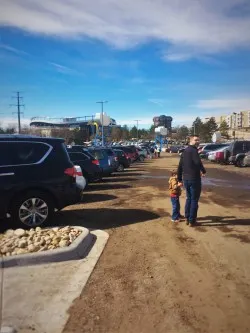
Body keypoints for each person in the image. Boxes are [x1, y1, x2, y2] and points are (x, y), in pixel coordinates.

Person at [177, 135, 206, 227]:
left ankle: (187, 217)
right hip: (194, 179)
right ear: (191, 141)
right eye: (196, 140)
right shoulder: (194, 151)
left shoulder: (185, 151)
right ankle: (192, 221)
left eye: (198, 140)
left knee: (189, 198)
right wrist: (203, 170)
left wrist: (179, 179)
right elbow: (197, 162)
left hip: (186, 179)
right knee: (194, 200)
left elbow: (180, 166)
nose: (198, 141)